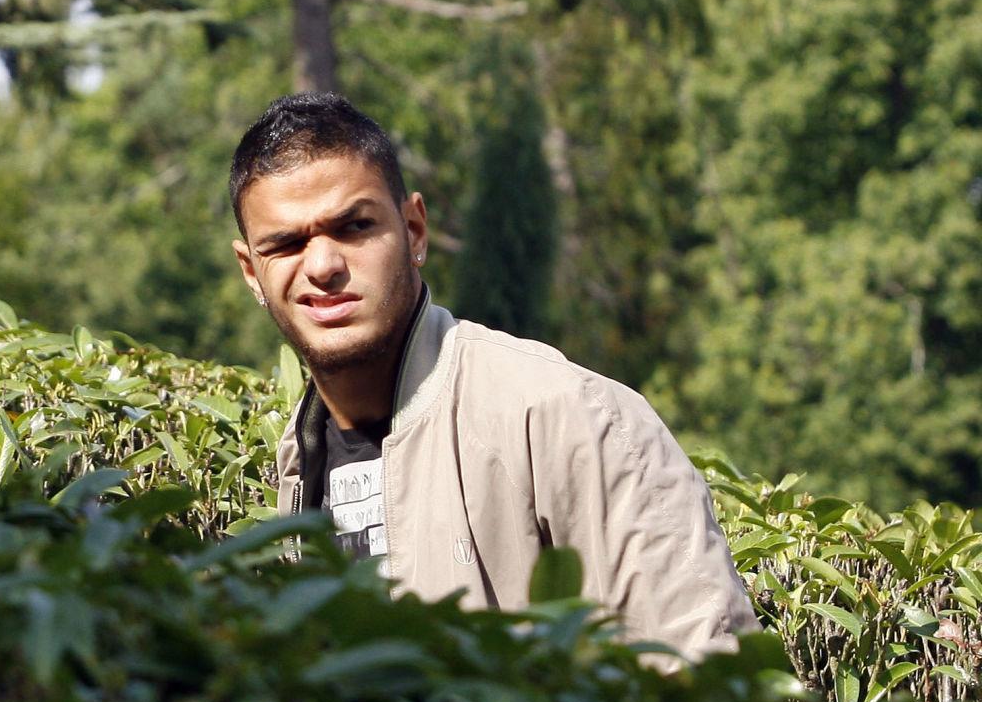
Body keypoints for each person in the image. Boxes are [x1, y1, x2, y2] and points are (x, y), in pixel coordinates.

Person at [229, 92, 757, 662]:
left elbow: (705, 680)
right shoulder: (299, 455)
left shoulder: (566, 417)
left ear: (414, 231)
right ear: (251, 272)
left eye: (354, 226)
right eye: (285, 244)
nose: (323, 265)